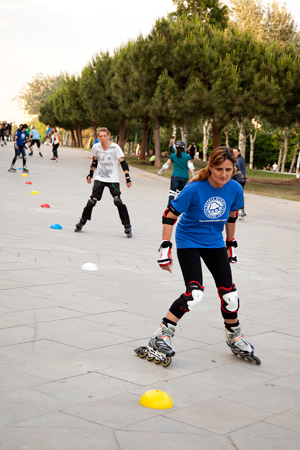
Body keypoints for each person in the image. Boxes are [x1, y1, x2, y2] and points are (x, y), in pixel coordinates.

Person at [136, 147, 260, 365]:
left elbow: (231, 218)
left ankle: (234, 336)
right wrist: (165, 247)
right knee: (195, 294)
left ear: (234, 169)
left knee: (230, 295)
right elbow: (169, 215)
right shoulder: (194, 188)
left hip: (214, 242)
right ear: (210, 167)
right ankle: (161, 335)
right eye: (219, 169)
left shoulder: (235, 189)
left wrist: (231, 243)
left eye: (229, 169)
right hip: (189, 241)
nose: (224, 174)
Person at [74, 127, 133, 238]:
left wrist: (127, 178)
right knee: (92, 201)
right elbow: (94, 161)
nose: (102, 138)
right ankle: (82, 221)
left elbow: (123, 163)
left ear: (108, 136)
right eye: (100, 136)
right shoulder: (96, 147)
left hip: (113, 179)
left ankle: (127, 226)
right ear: (98, 137)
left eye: (104, 136)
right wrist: (90, 174)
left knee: (118, 201)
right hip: (100, 178)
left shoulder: (115, 148)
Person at [158, 140, 195, 206]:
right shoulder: (187, 156)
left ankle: (170, 206)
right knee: (180, 193)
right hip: (184, 177)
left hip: (175, 176)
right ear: (184, 148)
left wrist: (160, 171)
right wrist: (193, 176)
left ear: (176, 148)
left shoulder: (173, 156)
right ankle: (177, 207)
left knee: (172, 192)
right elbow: (191, 167)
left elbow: (166, 165)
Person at [232, 148, 247, 219]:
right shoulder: (234, 160)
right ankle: (237, 211)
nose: (234, 153)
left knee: (238, 196)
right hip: (236, 179)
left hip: (239, 180)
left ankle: (241, 211)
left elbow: (239, 170)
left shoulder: (240, 160)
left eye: (235, 152)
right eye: (233, 152)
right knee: (235, 195)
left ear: (239, 152)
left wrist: (243, 177)